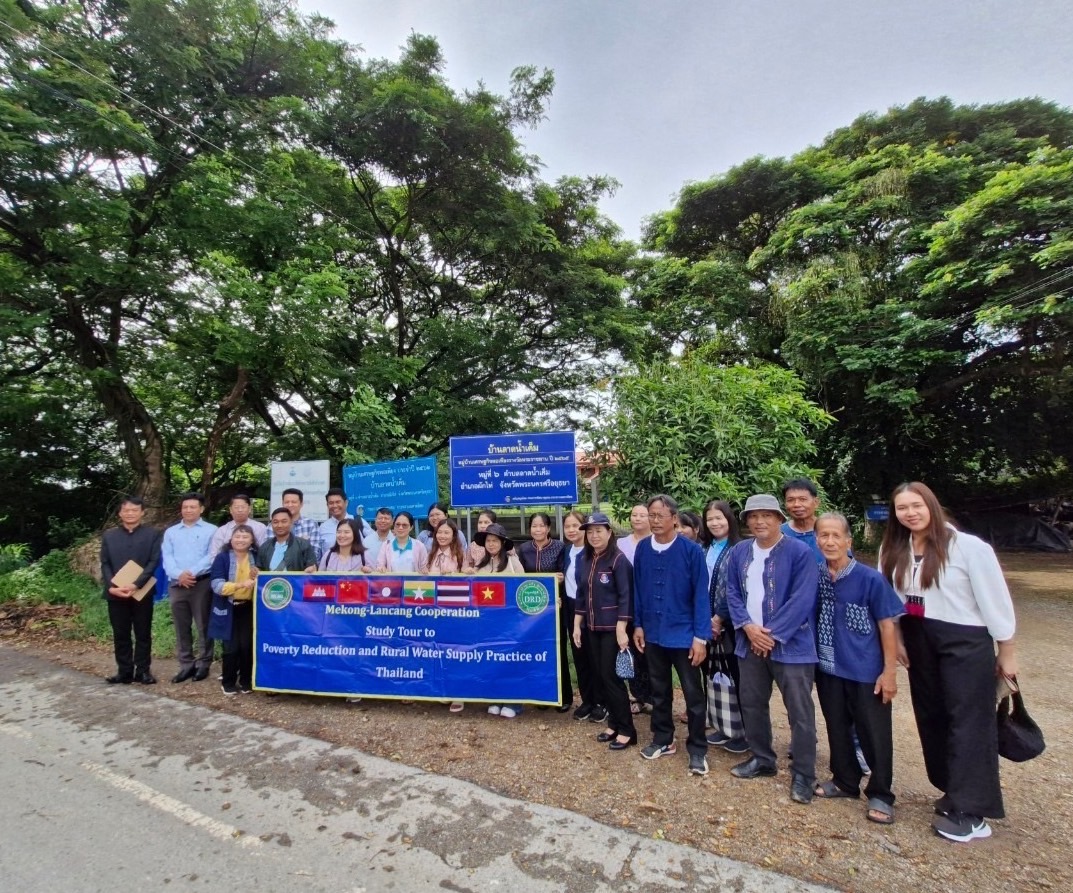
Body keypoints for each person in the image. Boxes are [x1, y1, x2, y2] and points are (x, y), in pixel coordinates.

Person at [879, 481, 1017, 843]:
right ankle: (951, 788)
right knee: (933, 715)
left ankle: (972, 810)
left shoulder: (969, 548)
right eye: (902, 508)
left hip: (964, 639)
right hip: (919, 637)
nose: (910, 513)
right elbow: (890, 601)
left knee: (968, 720)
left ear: (931, 505)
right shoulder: (894, 548)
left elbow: (995, 599)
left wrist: (1007, 649)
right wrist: (900, 641)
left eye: (916, 505)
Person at [725, 494, 819, 804]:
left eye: (766, 515)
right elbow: (733, 593)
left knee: (799, 710)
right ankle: (763, 759)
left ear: (779, 519)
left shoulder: (800, 552)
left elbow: (803, 598)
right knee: (751, 702)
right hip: (749, 642)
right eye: (753, 516)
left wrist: (773, 635)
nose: (759, 521)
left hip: (792, 645)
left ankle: (804, 774)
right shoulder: (739, 552)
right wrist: (749, 628)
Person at [813, 513, 903, 824]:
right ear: (816, 540)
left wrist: (889, 672)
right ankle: (844, 781)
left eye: (836, 536)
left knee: (874, 733)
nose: (830, 541)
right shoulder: (817, 576)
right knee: (836, 726)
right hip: (828, 667)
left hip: (866, 671)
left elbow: (887, 626)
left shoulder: (870, 579)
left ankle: (880, 793)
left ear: (849, 541)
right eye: (823, 535)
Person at [632, 494, 711, 777]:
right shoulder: (642, 549)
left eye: (660, 515)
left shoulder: (691, 551)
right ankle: (663, 739)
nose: (654, 521)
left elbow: (701, 595)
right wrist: (638, 625)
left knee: (693, 694)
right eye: (650, 515)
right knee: (659, 690)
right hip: (653, 632)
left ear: (674, 519)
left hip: (685, 634)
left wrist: (700, 637)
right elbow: (638, 590)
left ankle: (698, 748)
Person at [573, 512, 636, 750]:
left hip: (612, 628)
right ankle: (614, 724)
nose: (594, 535)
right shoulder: (586, 559)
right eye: (590, 532)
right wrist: (577, 624)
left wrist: (622, 628)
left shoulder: (618, 560)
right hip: (592, 626)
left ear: (609, 532)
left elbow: (626, 596)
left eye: (599, 530)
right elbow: (581, 594)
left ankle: (628, 730)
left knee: (613, 679)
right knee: (601, 675)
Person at [700, 499, 748, 754]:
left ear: (730, 519)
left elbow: (737, 589)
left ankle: (744, 732)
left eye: (719, 518)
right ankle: (724, 725)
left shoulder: (740, 548)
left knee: (736, 676)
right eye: (710, 519)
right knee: (716, 675)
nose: (715, 523)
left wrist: (719, 618)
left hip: (730, 624)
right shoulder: (706, 547)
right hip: (706, 622)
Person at [99, 496, 162, 684]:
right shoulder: (109, 536)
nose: (130, 513)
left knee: (143, 632)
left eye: (134, 510)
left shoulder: (153, 534)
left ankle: (143, 671)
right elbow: (105, 563)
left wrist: (136, 584)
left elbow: (154, 562)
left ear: (142, 512)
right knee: (121, 633)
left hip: (141, 591)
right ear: (120, 513)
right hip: (115, 593)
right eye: (126, 510)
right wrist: (113, 586)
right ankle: (124, 671)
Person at [517, 512, 572, 712]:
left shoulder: (559, 547)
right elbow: (520, 576)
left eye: (541, 526)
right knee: (536, 651)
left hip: (555, 607)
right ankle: (542, 694)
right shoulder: (524, 549)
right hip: (531, 609)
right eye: (534, 526)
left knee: (557, 650)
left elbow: (562, 574)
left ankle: (564, 696)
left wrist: (558, 580)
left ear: (548, 528)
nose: (537, 530)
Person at [163, 492, 218, 684]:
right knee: (181, 625)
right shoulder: (171, 532)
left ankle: (204, 663)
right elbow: (167, 557)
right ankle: (186, 664)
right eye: (185, 507)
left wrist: (191, 573)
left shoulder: (212, 530)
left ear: (201, 509)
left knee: (203, 624)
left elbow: (211, 556)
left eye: (192, 507)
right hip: (177, 584)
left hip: (201, 582)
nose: (188, 510)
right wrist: (180, 575)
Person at [474, 522, 525, 718]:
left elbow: (522, 590)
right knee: (492, 660)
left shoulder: (514, 564)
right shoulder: (481, 566)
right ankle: (495, 698)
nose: (491, 544)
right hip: (488, 623)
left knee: (511, 661)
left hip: (510, 622)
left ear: (503, 543)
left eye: (495, 540)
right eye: (488, 541)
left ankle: (514, 702)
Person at [562, 509, 601, 722]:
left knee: (595, 656)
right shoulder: (566, 551)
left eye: (575, 526)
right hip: (570, 606)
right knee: (579, 655)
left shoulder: (592, 552)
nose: (571, 530)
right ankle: (587, 700)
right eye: (567, 526)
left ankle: (601, 701)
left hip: (590, 609)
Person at [210, 524, 258, 695]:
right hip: (228, 606)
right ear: (231, 539)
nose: (241, 540)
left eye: (245, 537)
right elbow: (216, 585)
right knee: (231, 647)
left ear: (252, 540)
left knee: (247, 646)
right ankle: (228, 682)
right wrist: (239, 585)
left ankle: (246, 682)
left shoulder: (256, 557)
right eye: (237, 536)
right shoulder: (222, 558)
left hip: (248, 608)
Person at [256, 507, 318, 572]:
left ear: (291, 523)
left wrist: (311, 569)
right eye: (275, 522)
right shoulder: (264, 547)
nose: (279, 525)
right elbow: (260, 570)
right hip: (272, 582)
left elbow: (312, 566)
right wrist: (255, 571)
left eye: (284, 521)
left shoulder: (303, 545)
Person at [208, 494, 268, 559]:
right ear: (230, 510)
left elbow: (263, 552)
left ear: (249, 509)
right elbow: (214, 554)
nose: (240, 510)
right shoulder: (222, 530)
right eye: (236, 507)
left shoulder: (260, 528)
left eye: (243, 507)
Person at [781, 478, 823, 562]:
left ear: (816, 502)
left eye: (803, 499)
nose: (796, 504)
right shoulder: (779, 533)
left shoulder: (830, 530)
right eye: (790, 500)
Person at [282, 488, 322, 564]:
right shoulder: (273, 526)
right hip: (279, 572)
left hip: (305, 571)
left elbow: (314, 553)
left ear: (301, 504)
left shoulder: (311, 524)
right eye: (287, 502)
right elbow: (270, 552)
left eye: (294, 502)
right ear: (282, 503)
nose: (290, 505)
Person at [319, 487, 361, 557]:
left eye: (338, 502)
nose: (334, 506)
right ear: (327, 505)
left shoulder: (358, 522)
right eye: (331, 503)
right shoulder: (323, 527)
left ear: (346, 503)